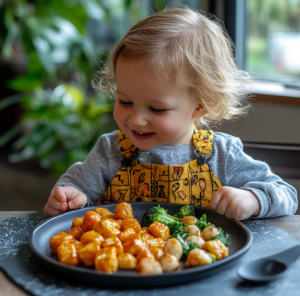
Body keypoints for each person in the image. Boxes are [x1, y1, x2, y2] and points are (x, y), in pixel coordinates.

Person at [43, 6, 297, 219]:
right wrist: (68, 197)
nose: (136, 119)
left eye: (156, 108)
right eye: (125, 101)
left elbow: (286, 194)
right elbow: (74, 187)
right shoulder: (110, 151)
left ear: (202, 104)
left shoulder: (222, 156)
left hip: (200, 270)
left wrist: (253, 198)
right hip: (119, 269)